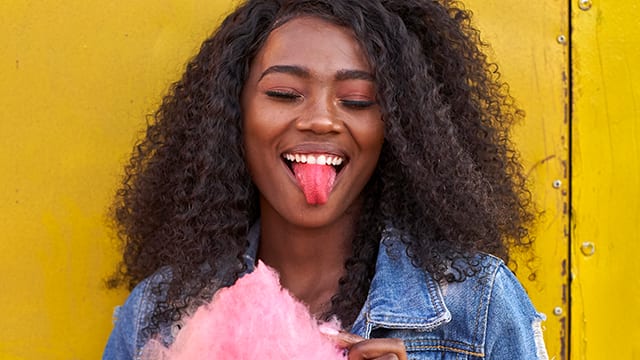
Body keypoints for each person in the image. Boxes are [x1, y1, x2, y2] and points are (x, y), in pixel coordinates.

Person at [103, 0, 549, 359]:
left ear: (396, 127)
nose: (320, 120)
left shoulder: (478, 305)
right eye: (283, 94)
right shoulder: (157, 313)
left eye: (356, 100)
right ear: (231, 114)